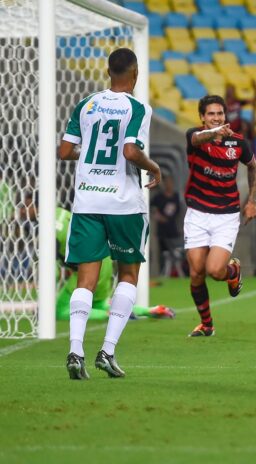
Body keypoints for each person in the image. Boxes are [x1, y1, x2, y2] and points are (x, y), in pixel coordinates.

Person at [58, 47, 161, 379]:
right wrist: (153, 166)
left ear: (107, 72)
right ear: (134, 74)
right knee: (127, 275)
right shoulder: (138, 108)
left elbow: (64, 150)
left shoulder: (86, 104)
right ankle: (107, 351)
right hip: (123, 204)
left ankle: (75, 351)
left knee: (85, 279)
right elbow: (131, 151)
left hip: (87, 202)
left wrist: (88, 154)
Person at [184, 94, 256, 337]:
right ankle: (207, 325)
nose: (216, 118)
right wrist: (213, 134)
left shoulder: (237, 142)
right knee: (196, 272)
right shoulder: (194, 137)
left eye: (219, 113)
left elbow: (253, 167)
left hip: (226, 215)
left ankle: (232, 271)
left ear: (225, 115)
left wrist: (251, 201)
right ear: (202, 118)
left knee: (215, 271)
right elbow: (196, 138)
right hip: (197, 213)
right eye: (211, 114)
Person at [55, 208, 174, 322]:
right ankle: (149, 310)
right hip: (104, 260)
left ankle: (111, 316)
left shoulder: (48, 224)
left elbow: (52, 268)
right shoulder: (61, 213)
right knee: (98, 304)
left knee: (60, 310)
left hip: (89, 266)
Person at [151, 176, 181, 275]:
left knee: (174, 252)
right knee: (163, 253)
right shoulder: (158, 197)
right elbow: (152, 209)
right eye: (166, 182)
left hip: (173, 230)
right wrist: (159, 216)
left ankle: (176, 272)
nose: (169, 185)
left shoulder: (176, 196)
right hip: (161, 231)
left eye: (170, 182)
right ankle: (162, 272)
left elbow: (178, 212)